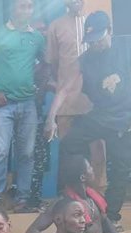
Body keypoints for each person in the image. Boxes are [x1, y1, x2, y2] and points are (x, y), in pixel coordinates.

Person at [45, 11, 131, 226]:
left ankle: (111, 218)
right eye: (90, 41)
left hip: (125, 117)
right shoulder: (85, 59)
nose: (95, 45)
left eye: (98, 39)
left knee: (120, 169)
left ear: (109, 31)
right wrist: (50, 118)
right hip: (100, 115)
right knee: (69, 143)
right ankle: (76, 195)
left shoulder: (127, 45)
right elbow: (64, 89)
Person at [0, 0, 45, 210]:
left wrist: (39, 87)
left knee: (26, 153)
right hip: (3, 104)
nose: (26, 10)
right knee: (0, 152)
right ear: (12, 9)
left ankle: (22, 198)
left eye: (29, 6)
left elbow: (46, 64)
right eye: (21, 6)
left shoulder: (37, 37)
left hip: (28, 103)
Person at [45, 0, 107, 192]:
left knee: (98, 150)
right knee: (68, 150)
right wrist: (63, 83)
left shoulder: (95, 24)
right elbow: (53, 64)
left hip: (93, 101)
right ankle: (71, 195)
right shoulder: (55, 26)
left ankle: (98, 194)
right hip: (67, 101)